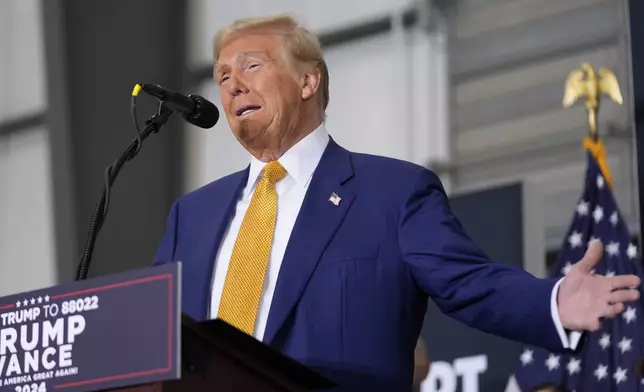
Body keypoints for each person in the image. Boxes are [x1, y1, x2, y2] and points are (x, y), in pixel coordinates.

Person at [151, 13, 641, 391]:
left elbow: (472, 285)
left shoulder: (394, 193)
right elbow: (150, 340)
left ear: (308, 81)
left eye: (251, 65)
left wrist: (553, 301)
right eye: (221, 75)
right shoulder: (190, 217)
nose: (232, 84)